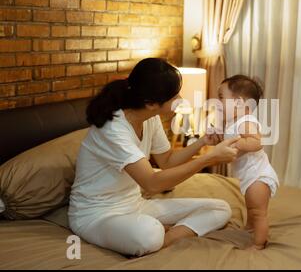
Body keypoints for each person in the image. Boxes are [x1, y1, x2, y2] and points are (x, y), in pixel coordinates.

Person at [68, 58, 240, 257]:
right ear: (150, 103)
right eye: (174, 96)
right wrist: (209, 159)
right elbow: (152, 184)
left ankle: (165, 238)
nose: (181, 99)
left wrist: (202, 142)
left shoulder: (149, 118)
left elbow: (166, 161)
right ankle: (158, 236)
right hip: (96, 214)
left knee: (220, 208)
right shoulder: (112, 129)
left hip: (135, 204)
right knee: (149, 233)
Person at [216, 75, 279, 249]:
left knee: (258, 212)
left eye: (221, 97)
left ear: (238, 103)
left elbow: (256, 142)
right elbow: (227, 139)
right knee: (251, 208)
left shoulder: (246, 122)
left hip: (258, 176)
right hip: (249, 175)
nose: (217, 102)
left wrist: (236, 143)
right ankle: (252, 227)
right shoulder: (233, 122)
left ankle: (259, 243)